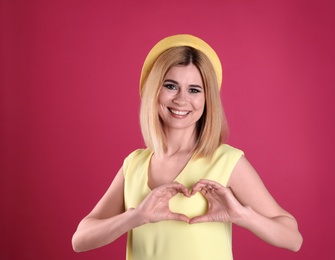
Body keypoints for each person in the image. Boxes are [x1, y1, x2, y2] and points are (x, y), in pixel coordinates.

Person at [72, 34, 303, 259]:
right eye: (171, 86)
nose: (181, 100)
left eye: (194, 90)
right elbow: (80, 239)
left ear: (207, 99)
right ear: (154, 91)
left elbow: (293, 239)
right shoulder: (134, 164)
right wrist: (136, 217)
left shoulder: (226, 161)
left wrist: (242, 215)